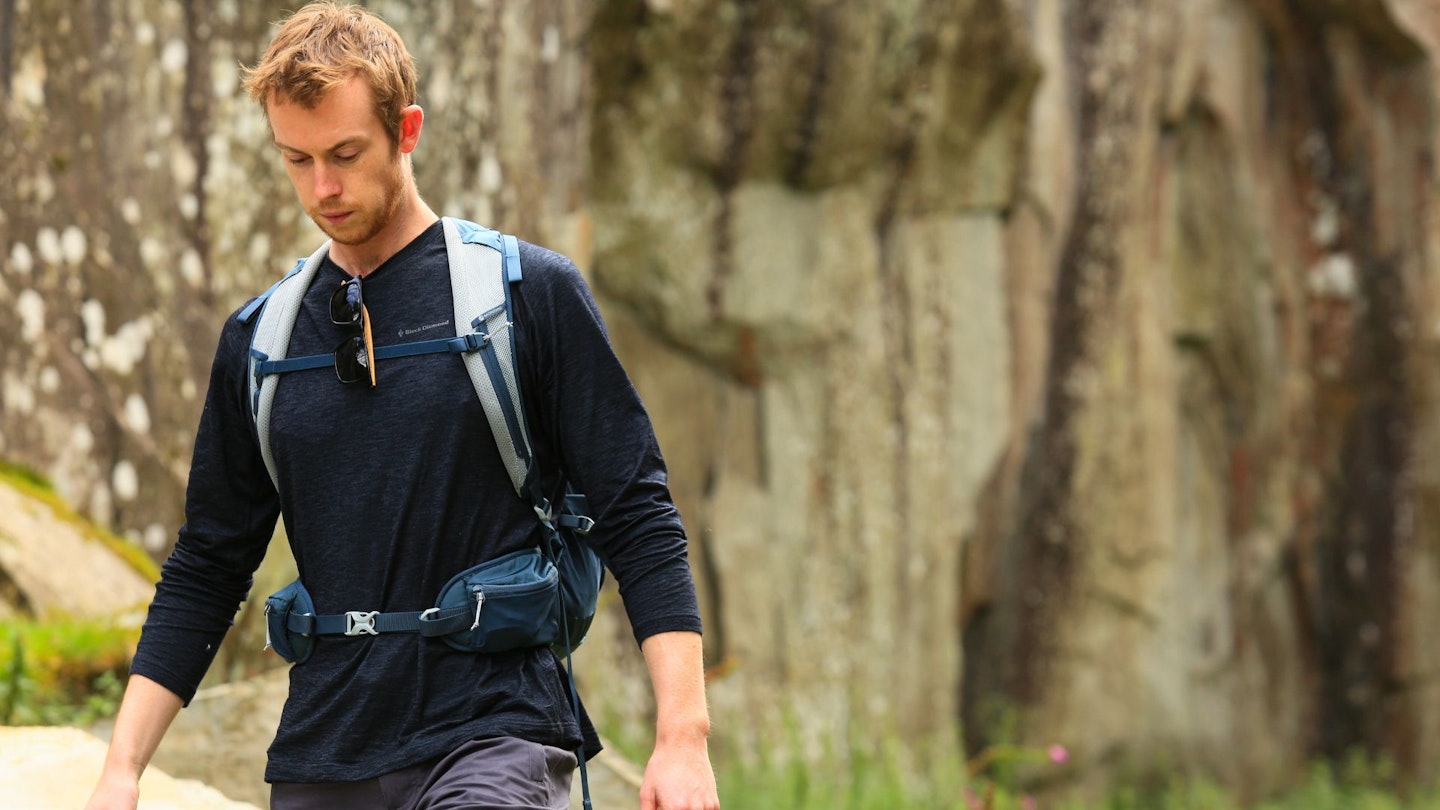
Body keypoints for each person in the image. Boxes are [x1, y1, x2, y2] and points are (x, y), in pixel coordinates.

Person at [84, 3, 720, 809]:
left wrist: (682, 737)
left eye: (346, 154)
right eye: (297, 159)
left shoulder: (527, 297)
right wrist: (120, 770)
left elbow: (638, 511)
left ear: (406, 130)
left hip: (496, 735)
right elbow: (209, 563)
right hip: (324, 749)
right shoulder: (262, 339)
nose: (323, 187)